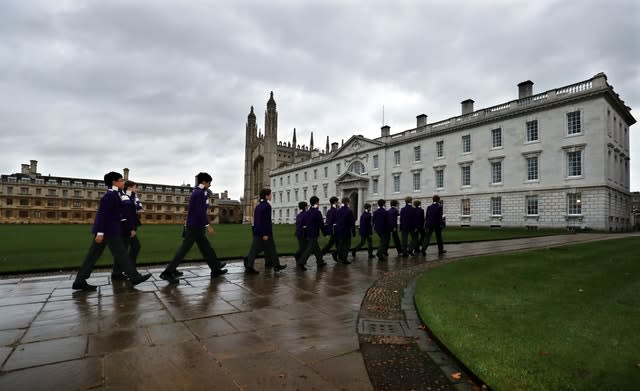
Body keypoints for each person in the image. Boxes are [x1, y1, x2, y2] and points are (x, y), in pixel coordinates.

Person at [72, 171, 151, 291]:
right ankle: (134, 277)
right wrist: (100, 233)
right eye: (121, 180)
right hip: (108, 231)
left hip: (110, 230)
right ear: (114, 182)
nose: (123, 182)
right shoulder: (109, 196)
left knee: (93, 256)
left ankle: (79, 280)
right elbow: (103, 215)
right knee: (122, 254)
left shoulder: (116, 194)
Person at [159, 172, 227, 283]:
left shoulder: (200, 192)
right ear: (204, 182)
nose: (210, 185)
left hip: (197, 226)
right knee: (184, 250)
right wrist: (208, 225)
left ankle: (215, 267)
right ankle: (167, 272)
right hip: (194, 226)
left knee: (206, 247)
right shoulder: (199, 193)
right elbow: (200, 211)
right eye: (209, 183)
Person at [244, 188, 287, 274]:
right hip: (264, 232)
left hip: (257, 230)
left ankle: (276, 265)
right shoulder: (267, 206)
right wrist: (265, 233)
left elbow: (257, 220)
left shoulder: (258, 206)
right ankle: (249, 265)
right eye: (270, 195)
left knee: (270, 248)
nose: (271, 196)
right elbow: (266, 221)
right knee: (257, 249)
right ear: (267, 196)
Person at [112, 180, 141, 280]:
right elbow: (126, 214)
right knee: (131, 248)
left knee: (125, 249)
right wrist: (131, 228)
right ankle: (129, 271)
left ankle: (118, 272)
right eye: (135, 187)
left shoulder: (130, 195)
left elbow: (137, 208)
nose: (136, 189)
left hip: (127, 225)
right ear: (129, 187)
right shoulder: (124, 196)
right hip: (126, 226)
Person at [296, 196, 327, 270]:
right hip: (314, 233)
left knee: (317, 249)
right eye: (318, 202)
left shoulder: (308, 212)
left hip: (308, 232)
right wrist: (325, 233)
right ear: (316, 202)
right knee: (309, 249)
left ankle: (320, 261)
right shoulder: (317, 212)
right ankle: (301, 262)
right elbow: (321, 224)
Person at [334, 197, 356, 264]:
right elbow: (352, 222)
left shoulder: (338, 210)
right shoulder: (349, 211)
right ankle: (344, 258)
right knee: (347, 245)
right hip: (346, 230)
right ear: (347, 202)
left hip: (339, 229)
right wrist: (353, 231)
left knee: (341, 244)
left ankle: (337, 254)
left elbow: (337, 220)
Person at [321, 196, 340, 262]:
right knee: (340, 244)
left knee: (332, 244)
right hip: (335, 230)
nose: (338, 203)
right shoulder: (335, 210)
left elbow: (327, 221)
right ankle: (334, 254)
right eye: (337, 202)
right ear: (335, 202)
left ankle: (321, 254)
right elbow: (330, 221)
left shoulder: (330, 210)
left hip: (334, 230)